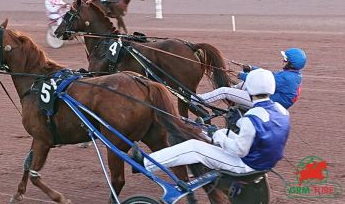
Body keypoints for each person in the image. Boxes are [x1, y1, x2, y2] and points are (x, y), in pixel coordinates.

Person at [131, 68, 291, 174]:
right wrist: (238, 122)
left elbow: (239, 150)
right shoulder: (280, 109)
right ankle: (202, 133)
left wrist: (218, 137)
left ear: (250, 89)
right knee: (219, 132)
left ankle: (145, 162)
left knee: (194, 148)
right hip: (264, 159)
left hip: (247, 166)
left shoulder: (253, 117)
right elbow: (261, 129)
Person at [193, 48, 307, 110]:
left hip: (264, 105)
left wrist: (239, 74)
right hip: (269, 101)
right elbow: (267, 74)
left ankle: (197, 100)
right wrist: (251, 68)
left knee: (224, 91)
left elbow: (261, 80)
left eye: (286, 60)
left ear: (291, 64)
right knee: (240, 85)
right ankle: (230, 100)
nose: (283, 61)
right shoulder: (293, 75)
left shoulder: (287, 78)